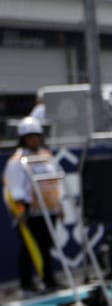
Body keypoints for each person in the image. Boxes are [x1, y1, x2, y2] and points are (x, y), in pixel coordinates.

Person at [4, 116, 60, 293]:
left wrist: (59, 205)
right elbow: (15, 188)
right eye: (30, 137)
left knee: (46, 246)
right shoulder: (17, 161)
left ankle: (49, 280)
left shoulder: (45, 156)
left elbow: (54, 181)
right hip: (29, 210)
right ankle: (27, 284)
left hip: (48, 208)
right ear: (23, 139)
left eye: (36, 136)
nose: (34, 140)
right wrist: (20, 211)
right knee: (28, 248)